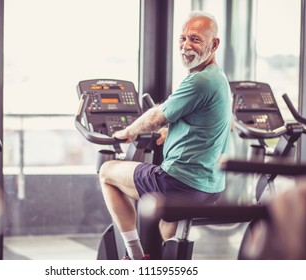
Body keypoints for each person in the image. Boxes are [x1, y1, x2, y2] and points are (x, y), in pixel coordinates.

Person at [98, 11, 232, 260]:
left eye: (195, 39)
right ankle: (163, 265)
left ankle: (136, 258)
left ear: (214, 44)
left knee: (107, 172)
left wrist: (127, 132)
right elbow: (204, 124)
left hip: (180, 183)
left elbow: (155, 117)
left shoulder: (199, 81)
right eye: (182, 38)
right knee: (166, 223)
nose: (186, 46)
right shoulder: (218, 79)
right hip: (211, 186)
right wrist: (170, 132)